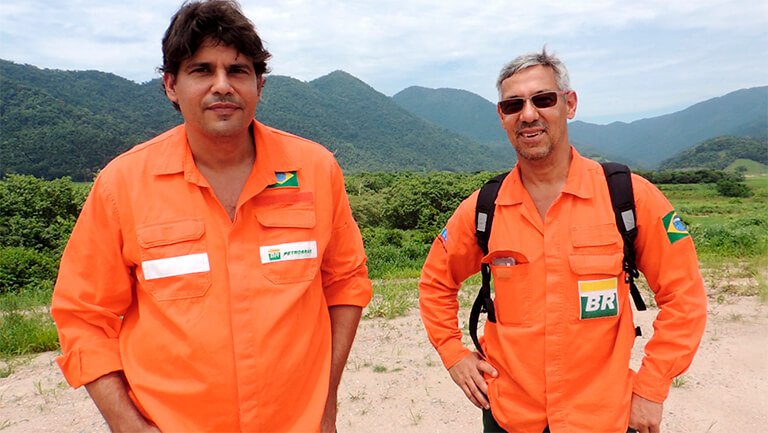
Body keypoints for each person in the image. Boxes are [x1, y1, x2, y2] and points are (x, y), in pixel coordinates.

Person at [50, 1, 372, 431]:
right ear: (170, 85)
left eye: (237, 71)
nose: (222, 85)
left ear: (259, 84)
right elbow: (83, 315)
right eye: (202, 70)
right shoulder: (122, 184)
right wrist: (126, 424)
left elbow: (345, 283)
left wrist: (325, 400)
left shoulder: (315, 169)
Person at [418, 48, 707, 433]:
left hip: (605, 417)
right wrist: (453, 354)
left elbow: (684, 297)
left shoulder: (628, 197)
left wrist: (652, 388)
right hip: (511, 416)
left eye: (543, 99)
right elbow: (435, 282)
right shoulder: (483, 208)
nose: (528, 114)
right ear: (501, 117)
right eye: (513, 105)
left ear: (569, 104)